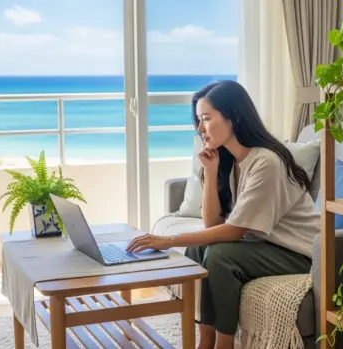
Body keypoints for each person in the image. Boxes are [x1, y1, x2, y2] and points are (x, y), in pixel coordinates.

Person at [126, 79, 320, 349]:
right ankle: (204, 341)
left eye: (206, 118)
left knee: (220, 256)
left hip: (300, 253)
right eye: (198, 120)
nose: (200, 129)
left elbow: (234, 231)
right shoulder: (232, 161)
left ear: (234, 117)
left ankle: (223, 345)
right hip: (266, 246)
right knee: (198, 251)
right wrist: (211, 171)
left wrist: (169, 241)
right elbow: (212, 224)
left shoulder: (266, 161)